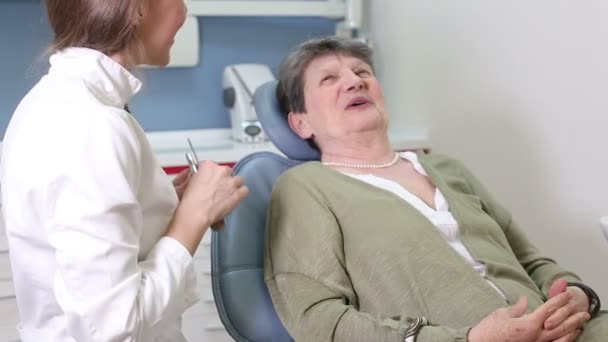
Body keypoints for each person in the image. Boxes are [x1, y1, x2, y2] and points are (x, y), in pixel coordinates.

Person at [264, 36, 607, 342]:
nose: (354, 82)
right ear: (301, 122)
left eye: (363, 72)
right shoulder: (304, 188)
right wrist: (469, 339)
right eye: (329, 79)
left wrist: (578, 295)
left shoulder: (447, 168)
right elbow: (319, 323)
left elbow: (530, 260)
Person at [0, 0, 248, 341]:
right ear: (137, 9)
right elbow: (114, 327)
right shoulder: (90, 126)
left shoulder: (54, 102)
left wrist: (165, 203)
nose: (185, 11)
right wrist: (193, 217)